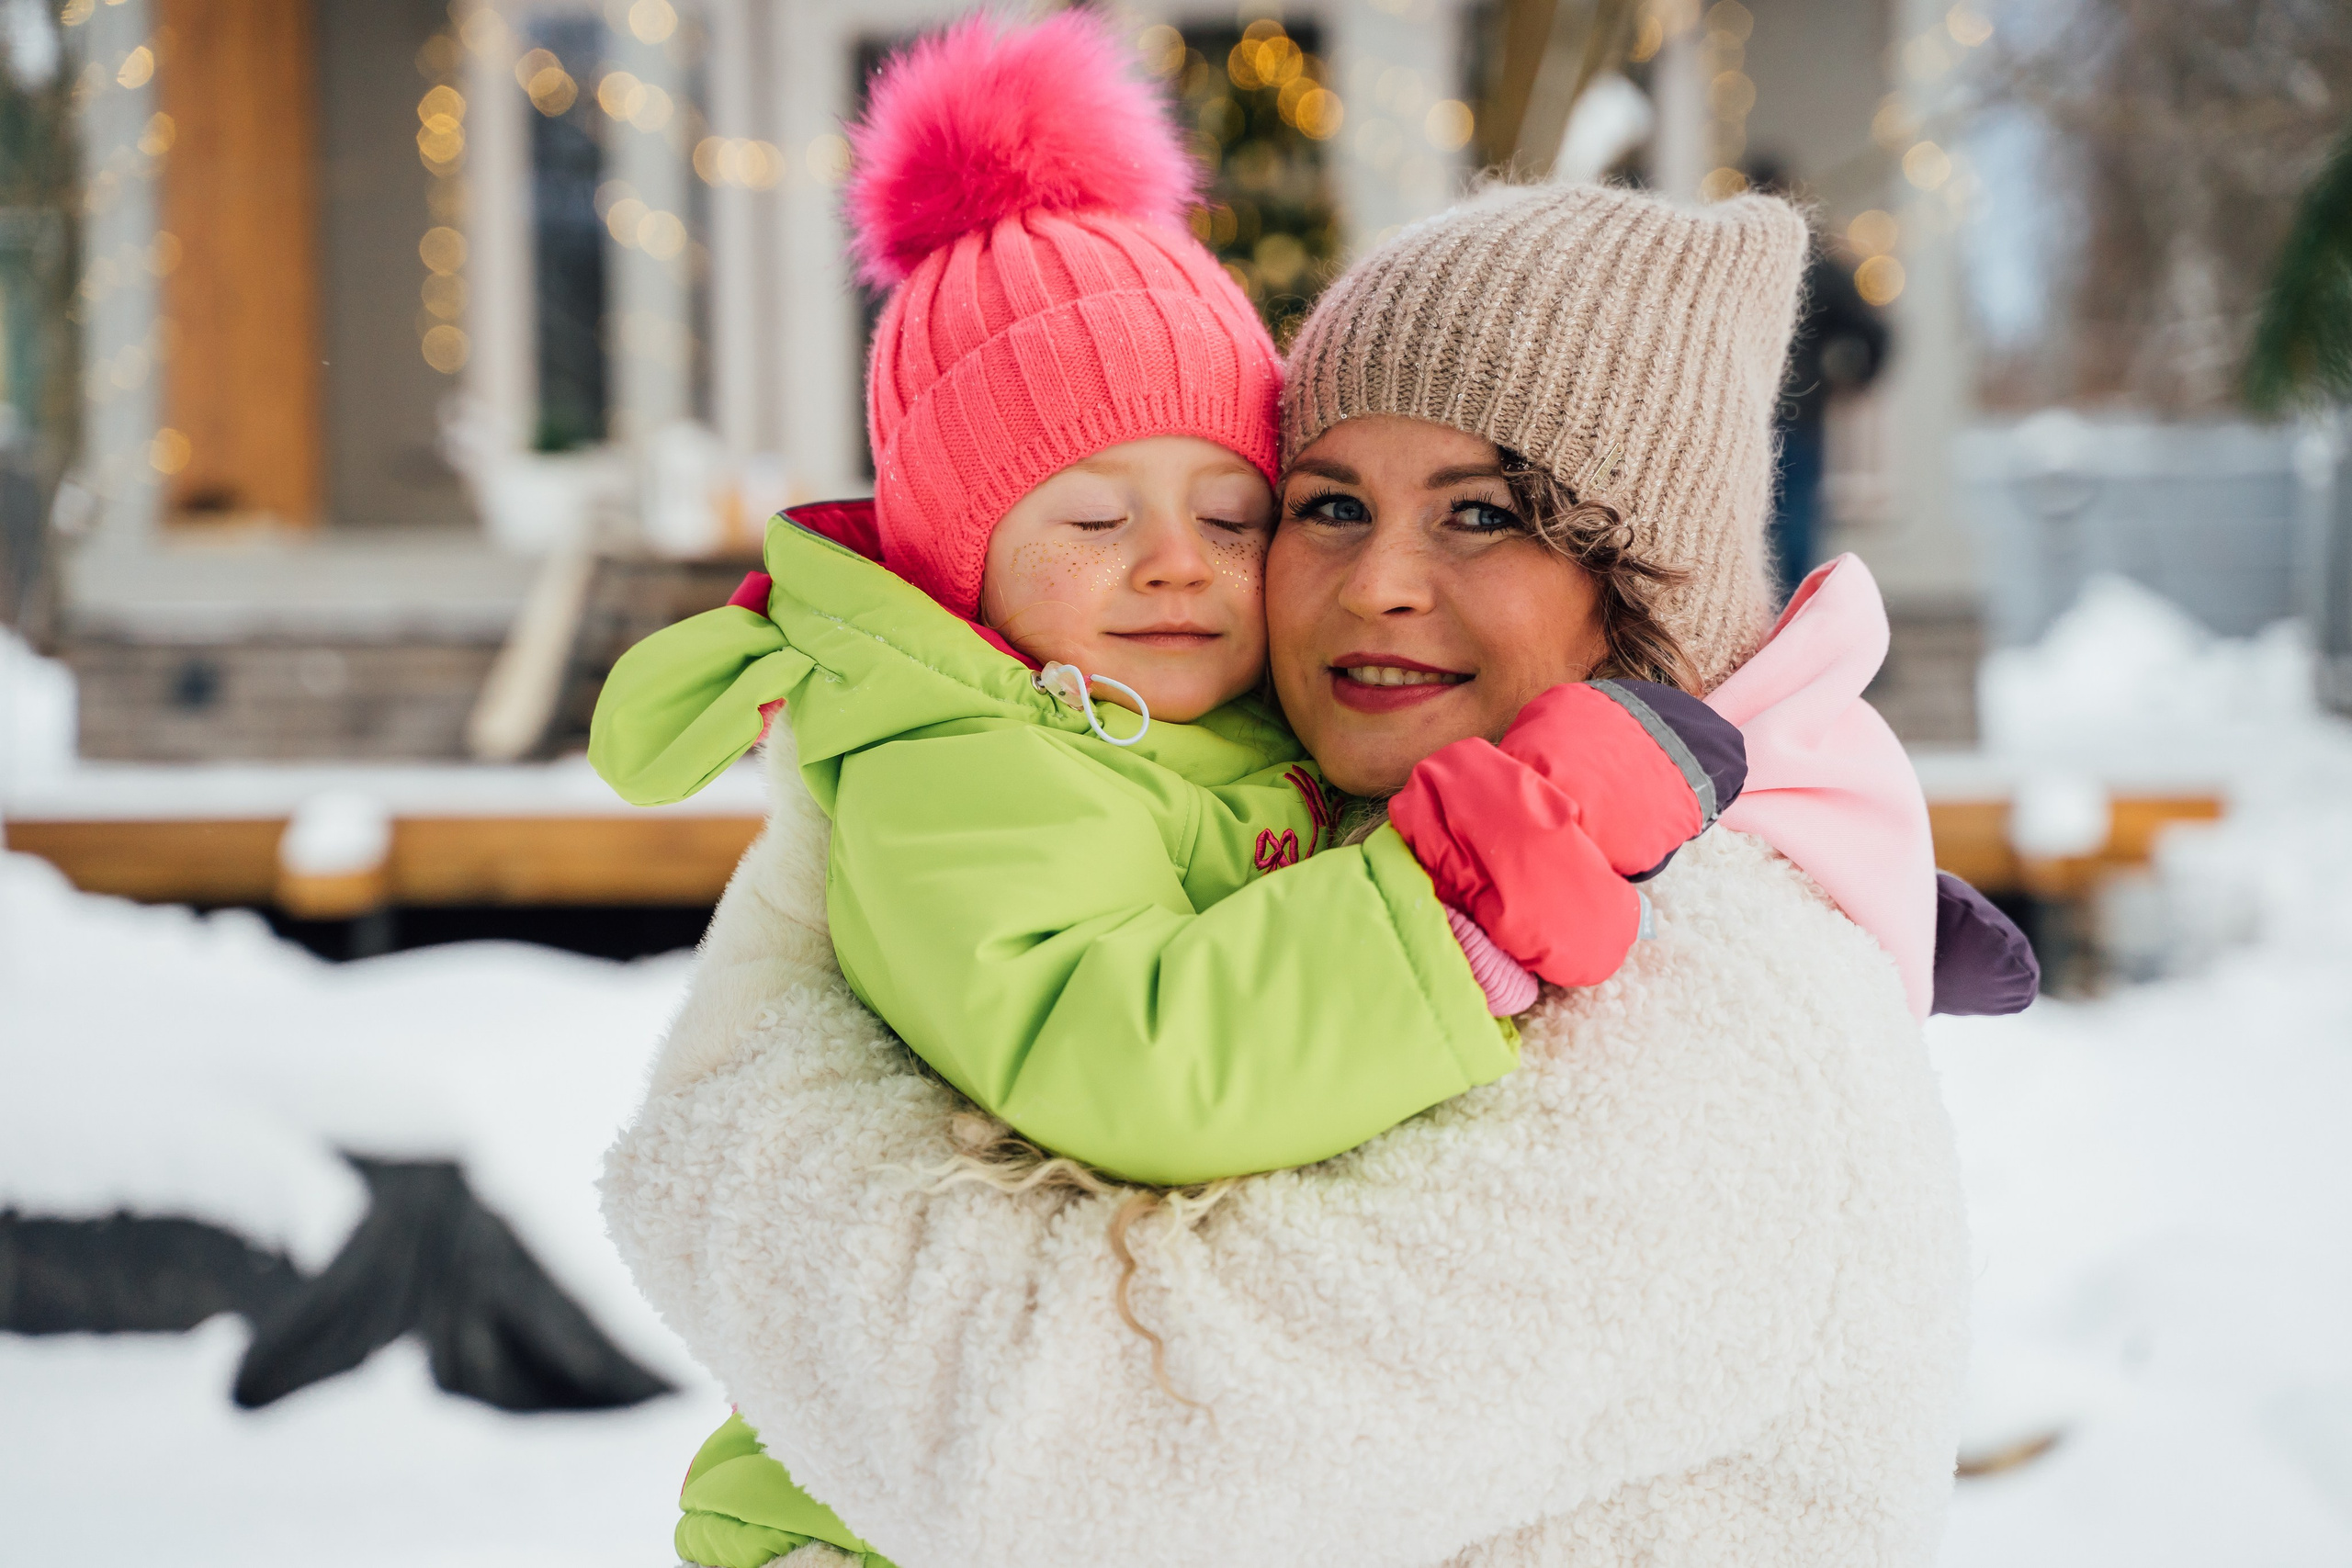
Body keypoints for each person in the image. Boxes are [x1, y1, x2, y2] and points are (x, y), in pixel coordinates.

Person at [605, 179, 2017, 1567]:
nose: (1373, 583)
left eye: (1482, 514)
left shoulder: (1693, 1007)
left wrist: (743, 1114)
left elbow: (1060, 1478)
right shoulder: (1352, 816)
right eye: (1327, 505)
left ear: (1645, 585)